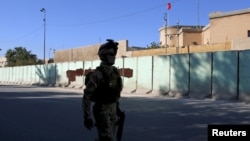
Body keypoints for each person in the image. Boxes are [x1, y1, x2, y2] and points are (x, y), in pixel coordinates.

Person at [82, 39, 124, 141]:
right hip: (102, 109)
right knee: (107, 138)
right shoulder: (96, 74)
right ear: (103, 56)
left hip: (113, 109)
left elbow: (116, 93)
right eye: (110, 54)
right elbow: (87, 96)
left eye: (114, 54)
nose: (113, 56)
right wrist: (87, 116)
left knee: (111, 137)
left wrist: (118, 110)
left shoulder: (115, 73)